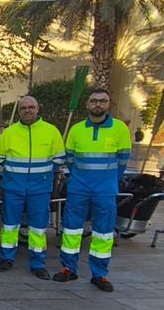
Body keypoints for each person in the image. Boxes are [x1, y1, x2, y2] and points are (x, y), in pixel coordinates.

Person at [55, 89, 131, 292]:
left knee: (103, 232)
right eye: (94, 101)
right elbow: (70, 158)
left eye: (103, 101)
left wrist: (109, 181)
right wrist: (80, 178)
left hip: (105, 190)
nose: (98, 104)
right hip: (79, 188)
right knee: (71, 229)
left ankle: (100, 274)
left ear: (108, 104)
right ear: (88, 104)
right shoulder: (77, 130)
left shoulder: (120, 129)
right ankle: (68, 268)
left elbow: (123, 160)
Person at [0, 96, 65, 279]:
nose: (28, 110)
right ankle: (6, 259)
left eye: (31, 107)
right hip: (13, 188)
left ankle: (38, 263)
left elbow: (59, 159)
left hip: (40, 189)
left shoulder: (51, 132)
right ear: (19, 111)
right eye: (24, 108)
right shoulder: (9, 133)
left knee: (38, 228)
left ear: (38, 108)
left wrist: (44, 176)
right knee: (9, 226)